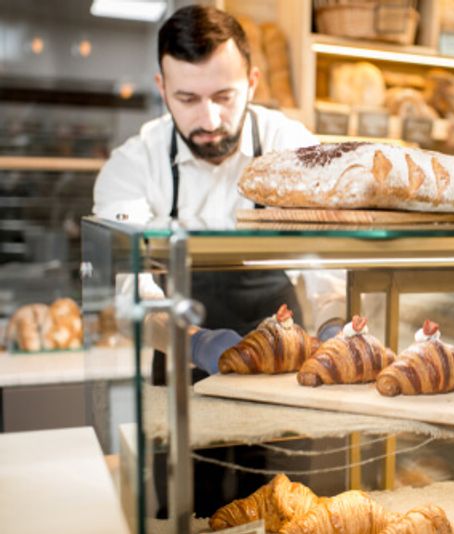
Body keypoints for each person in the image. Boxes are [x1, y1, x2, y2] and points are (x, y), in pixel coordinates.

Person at [92, 5, 324, 517]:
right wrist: (199, 345)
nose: (210, 119)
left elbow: (328, 260)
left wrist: (331, 328)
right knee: (188, 510)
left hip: (285, 369)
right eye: (188, 99)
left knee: (285, 508)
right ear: (161, 86)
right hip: (181, 366)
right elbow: (134, 291)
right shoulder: (133, 165)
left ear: (253, 82)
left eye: (224, 96)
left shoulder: (292, 147)